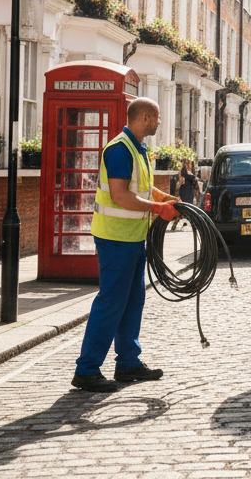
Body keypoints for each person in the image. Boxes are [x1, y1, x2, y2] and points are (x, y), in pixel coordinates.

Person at [72, 98, 182, 393]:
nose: (159, 122)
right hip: (116, 239)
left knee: (133, 301)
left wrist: (162, 198)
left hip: (133, 237)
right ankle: (87, 369)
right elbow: (121, 196)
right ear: (145, 118)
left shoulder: (137, 148)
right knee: (111, 303)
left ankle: (128, 363)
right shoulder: (120, 149)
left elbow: (140, 189)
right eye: (157, 117)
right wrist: (158, 210)